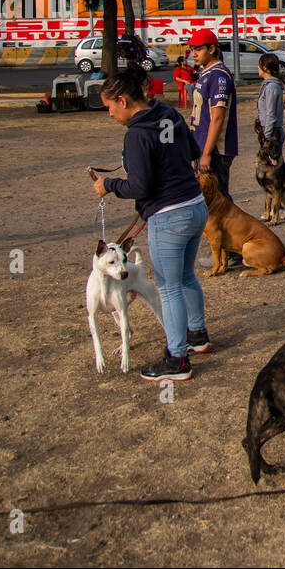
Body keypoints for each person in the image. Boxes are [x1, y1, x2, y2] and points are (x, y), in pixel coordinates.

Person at [90, 64, 210, 381]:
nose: (110, 114)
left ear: (123, 100)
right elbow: (193, 151)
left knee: (169, 288)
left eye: (109, 107)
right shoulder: (168, 113)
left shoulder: (136, 136)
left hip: (170, 217)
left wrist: (109, 185)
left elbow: (140, 186)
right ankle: (197, 335)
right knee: (185, 277)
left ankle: (177, 359)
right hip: (196, 207)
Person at [187, 28, 237, 199]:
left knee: (218, 201)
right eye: (192, 49)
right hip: (203, 146)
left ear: (211, 49)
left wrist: (207, 153)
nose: (194, 53)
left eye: (198, 49)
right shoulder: (206, 73)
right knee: (206, 200)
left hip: (216, 149)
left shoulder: (218, 75)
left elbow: (218, 117)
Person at [256, 53, 284, 146]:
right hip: (269, 129)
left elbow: (271, 114)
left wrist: (266, 137)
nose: (258, 67)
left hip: (271, 131)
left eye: (259, 65)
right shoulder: (268, 85)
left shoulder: (271, 87)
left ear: (265, 68)